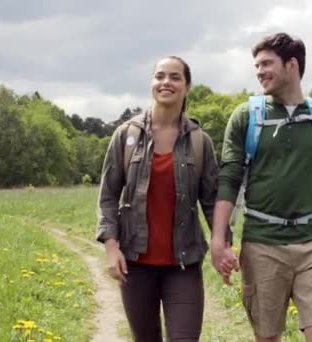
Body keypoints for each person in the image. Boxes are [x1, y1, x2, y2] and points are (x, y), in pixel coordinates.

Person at [211, 33, 312, 342]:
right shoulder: (246, 117)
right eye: (256, 65)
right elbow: (229, 179)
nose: (259, 71)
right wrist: (219, 240)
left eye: (266, 64)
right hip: (262, 242)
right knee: (267, 336)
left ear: (292, 64)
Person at [96, 56, 230, 342]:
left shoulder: (199, 141)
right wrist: (110, 247)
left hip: (183, 265)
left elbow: (212, 201)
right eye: (159, 76)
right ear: (152, 83)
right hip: (135, 263)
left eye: (174, 77)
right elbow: (108, 195)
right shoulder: (126, 135)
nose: (165, 82)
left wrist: (223, 245)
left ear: (187, 86)